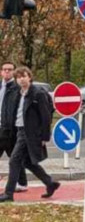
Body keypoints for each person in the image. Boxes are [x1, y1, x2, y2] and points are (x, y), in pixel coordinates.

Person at [0, 67, 59, 202]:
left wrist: (45, 136)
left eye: (24, 76)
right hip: (19, 131)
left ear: (30, 77)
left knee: (14, 160)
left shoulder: (37, 94)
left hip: (30, 133)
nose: (21, 79)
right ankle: (50, 183)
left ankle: (8, 193)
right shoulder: (19, 93)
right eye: (19, 77)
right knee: (27, 162)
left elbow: (45, 117)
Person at [0, 61, 27, 192]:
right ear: (1, 71)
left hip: (11, 129)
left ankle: (22, 183)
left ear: (14, 72)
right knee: (15, 158)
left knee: (15, 158)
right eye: (4, 69)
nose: (7, 72)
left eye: (10, 69)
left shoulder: (17, 89)